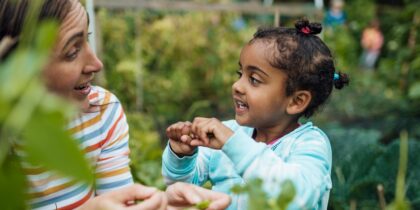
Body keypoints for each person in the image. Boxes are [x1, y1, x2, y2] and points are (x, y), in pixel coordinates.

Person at [0, 0, 230, 209]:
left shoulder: (102, 112)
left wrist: (165, 204)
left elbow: (118, 200)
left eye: (86, 40)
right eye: (72, 52)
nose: (95, 63)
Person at [162, 18, 349, 210]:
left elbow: (296, 197)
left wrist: (233, 144)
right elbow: (183, 189)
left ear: (296, 101)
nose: (237, 86)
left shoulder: (309, 144)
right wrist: (182, 155)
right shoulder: (230, 132)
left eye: (254, 79)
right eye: (239, 74)